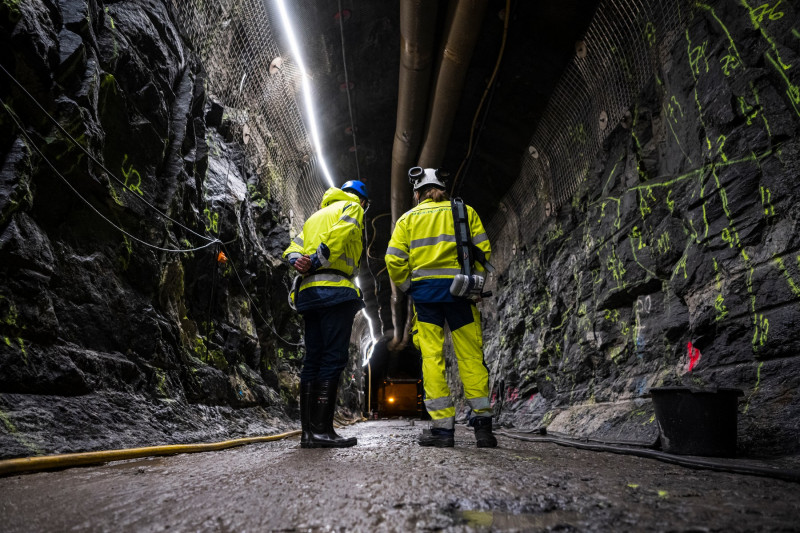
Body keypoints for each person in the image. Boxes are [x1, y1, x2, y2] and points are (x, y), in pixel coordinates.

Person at [385, 167, 497, 448]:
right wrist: (474, 283)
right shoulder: (464, 211)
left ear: (417, 193)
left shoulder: (407, 220)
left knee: (432, 358)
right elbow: (483, 249)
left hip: (426, 297)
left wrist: (409, 286)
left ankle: (443, 431)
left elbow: (393, 260)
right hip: (461, 294)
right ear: (442, 189)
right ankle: (483, 428)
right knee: (471, 356)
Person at [283, 180, 369, 448]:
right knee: (333, 358)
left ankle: (308, 434)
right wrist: (317, 259)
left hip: (308, 293)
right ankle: (322, 431)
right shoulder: (353, 208)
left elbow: (291, 249)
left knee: (313, 359)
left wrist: (299, 260)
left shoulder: (313, 218)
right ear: (362, 200)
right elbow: (340, 236)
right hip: (334, 292)